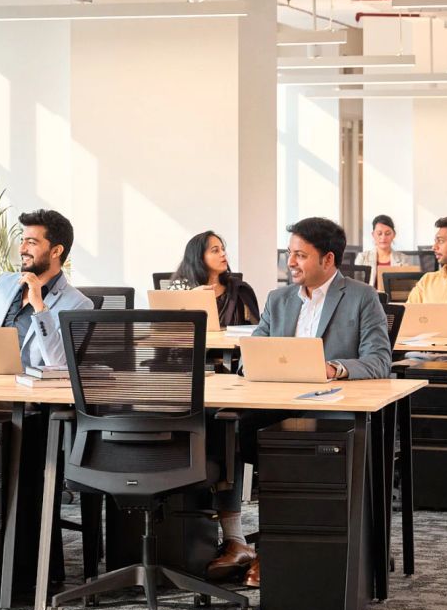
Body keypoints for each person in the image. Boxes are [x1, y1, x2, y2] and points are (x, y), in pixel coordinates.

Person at [207, 217, 392, 587]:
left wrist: (334, 368)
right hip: (273, 405)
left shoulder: (361, 297)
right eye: (290, 253)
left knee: (285, 448)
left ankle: (276, 549)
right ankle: (236, 540)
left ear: (328, 259)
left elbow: (379, 360)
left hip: (330, 410)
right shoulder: (278, 300)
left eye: (300, 255)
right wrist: (255, 363)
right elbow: (249, 356)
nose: (290, 262)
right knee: (219, 427)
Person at [0, 208, 93, 368]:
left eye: (31, 243)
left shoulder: (79, 305)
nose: (22, 249)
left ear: (56, 251)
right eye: (22, 241)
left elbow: (59, 364)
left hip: (30, 382)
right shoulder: (3, 283)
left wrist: (40, 308)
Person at [171, 230, 261, 326]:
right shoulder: (179, 288)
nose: (223, 254)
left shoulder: (240, 289)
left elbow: (257, 329)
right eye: (215, 251)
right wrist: (191, 298)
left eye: (223, 249)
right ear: (198, 258)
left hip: (231, 337)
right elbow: (169, 327)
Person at [355, 214, 399, 287]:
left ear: (394, 235)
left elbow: (407, 287)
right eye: (379, 233)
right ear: (373, 235)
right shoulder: (362, 258)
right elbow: (355, 285)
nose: (383, 237)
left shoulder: (403, 259)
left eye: (387, 233)